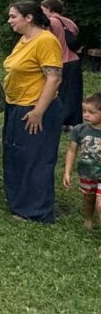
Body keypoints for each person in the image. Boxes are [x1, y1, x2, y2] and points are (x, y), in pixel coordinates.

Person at [2, 0, 64, 223]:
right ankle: (19, 202)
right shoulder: (24, 39)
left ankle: (36, 210)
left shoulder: (46, 40)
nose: (9, 21)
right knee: (16, 153)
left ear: (29, 17)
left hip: (35, 107)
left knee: (35, 158)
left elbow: (54, 78)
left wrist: (38, 111)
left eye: (13, 16)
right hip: (16, 104)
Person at [42, 0, 82, 132]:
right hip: (74, 60)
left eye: (43, 9)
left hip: (60, 60)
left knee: (58, 92)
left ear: (50, 9)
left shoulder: (52, 21)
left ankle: (59, 120)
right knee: (73, 93)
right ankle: (73, 122)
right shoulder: (69, 22)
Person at [62, 93, 101, 230]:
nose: (86, 115)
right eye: (84, 111)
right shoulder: (79, 130)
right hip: (87, 173)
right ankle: (88, 219)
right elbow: (72, 151)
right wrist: (67, 172)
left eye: (91, 112)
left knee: (100, 203)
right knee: (89, 198)